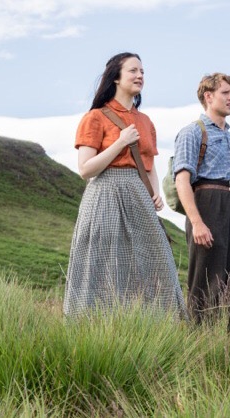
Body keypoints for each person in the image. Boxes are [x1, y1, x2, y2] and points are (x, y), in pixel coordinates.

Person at [63, 52, 187, 319]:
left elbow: (150, 165)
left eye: (142, 71)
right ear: (116, 77)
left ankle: (161, 326)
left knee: (157, 259)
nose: (140, 75)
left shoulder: (145, 122)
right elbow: (85, 169)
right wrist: (119, 142)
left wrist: (155, 194)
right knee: (106, 262)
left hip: (138, 194)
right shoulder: (95, 117)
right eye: (133, 71)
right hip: (104, 192)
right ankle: (93, 326)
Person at [173, 73, 230, 330]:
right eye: (226, 93)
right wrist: (197, 222)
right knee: (206, 282)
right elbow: (182, 180)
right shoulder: (192, 132)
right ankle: (201, 345)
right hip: (208, 205)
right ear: (208, 96)